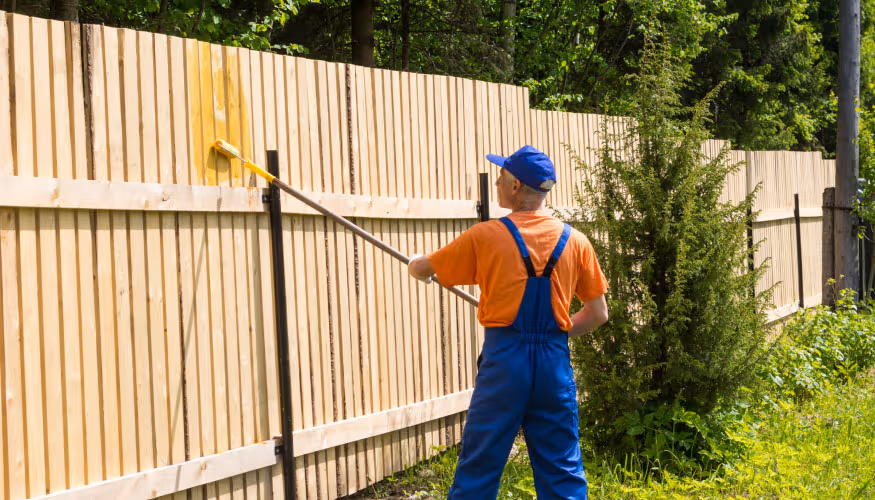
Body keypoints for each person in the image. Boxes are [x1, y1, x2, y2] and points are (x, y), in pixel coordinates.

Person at [408, 145, 609, 500]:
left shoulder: (484, 237)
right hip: (553, 364)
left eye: (502, 177)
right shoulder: (576, 241)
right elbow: (598, 314)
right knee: (562, 465)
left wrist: (415, 264)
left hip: (505, 363)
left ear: (515, 185)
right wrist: (558, 330)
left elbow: (424, 268)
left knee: (480, 464)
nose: (498, 183)